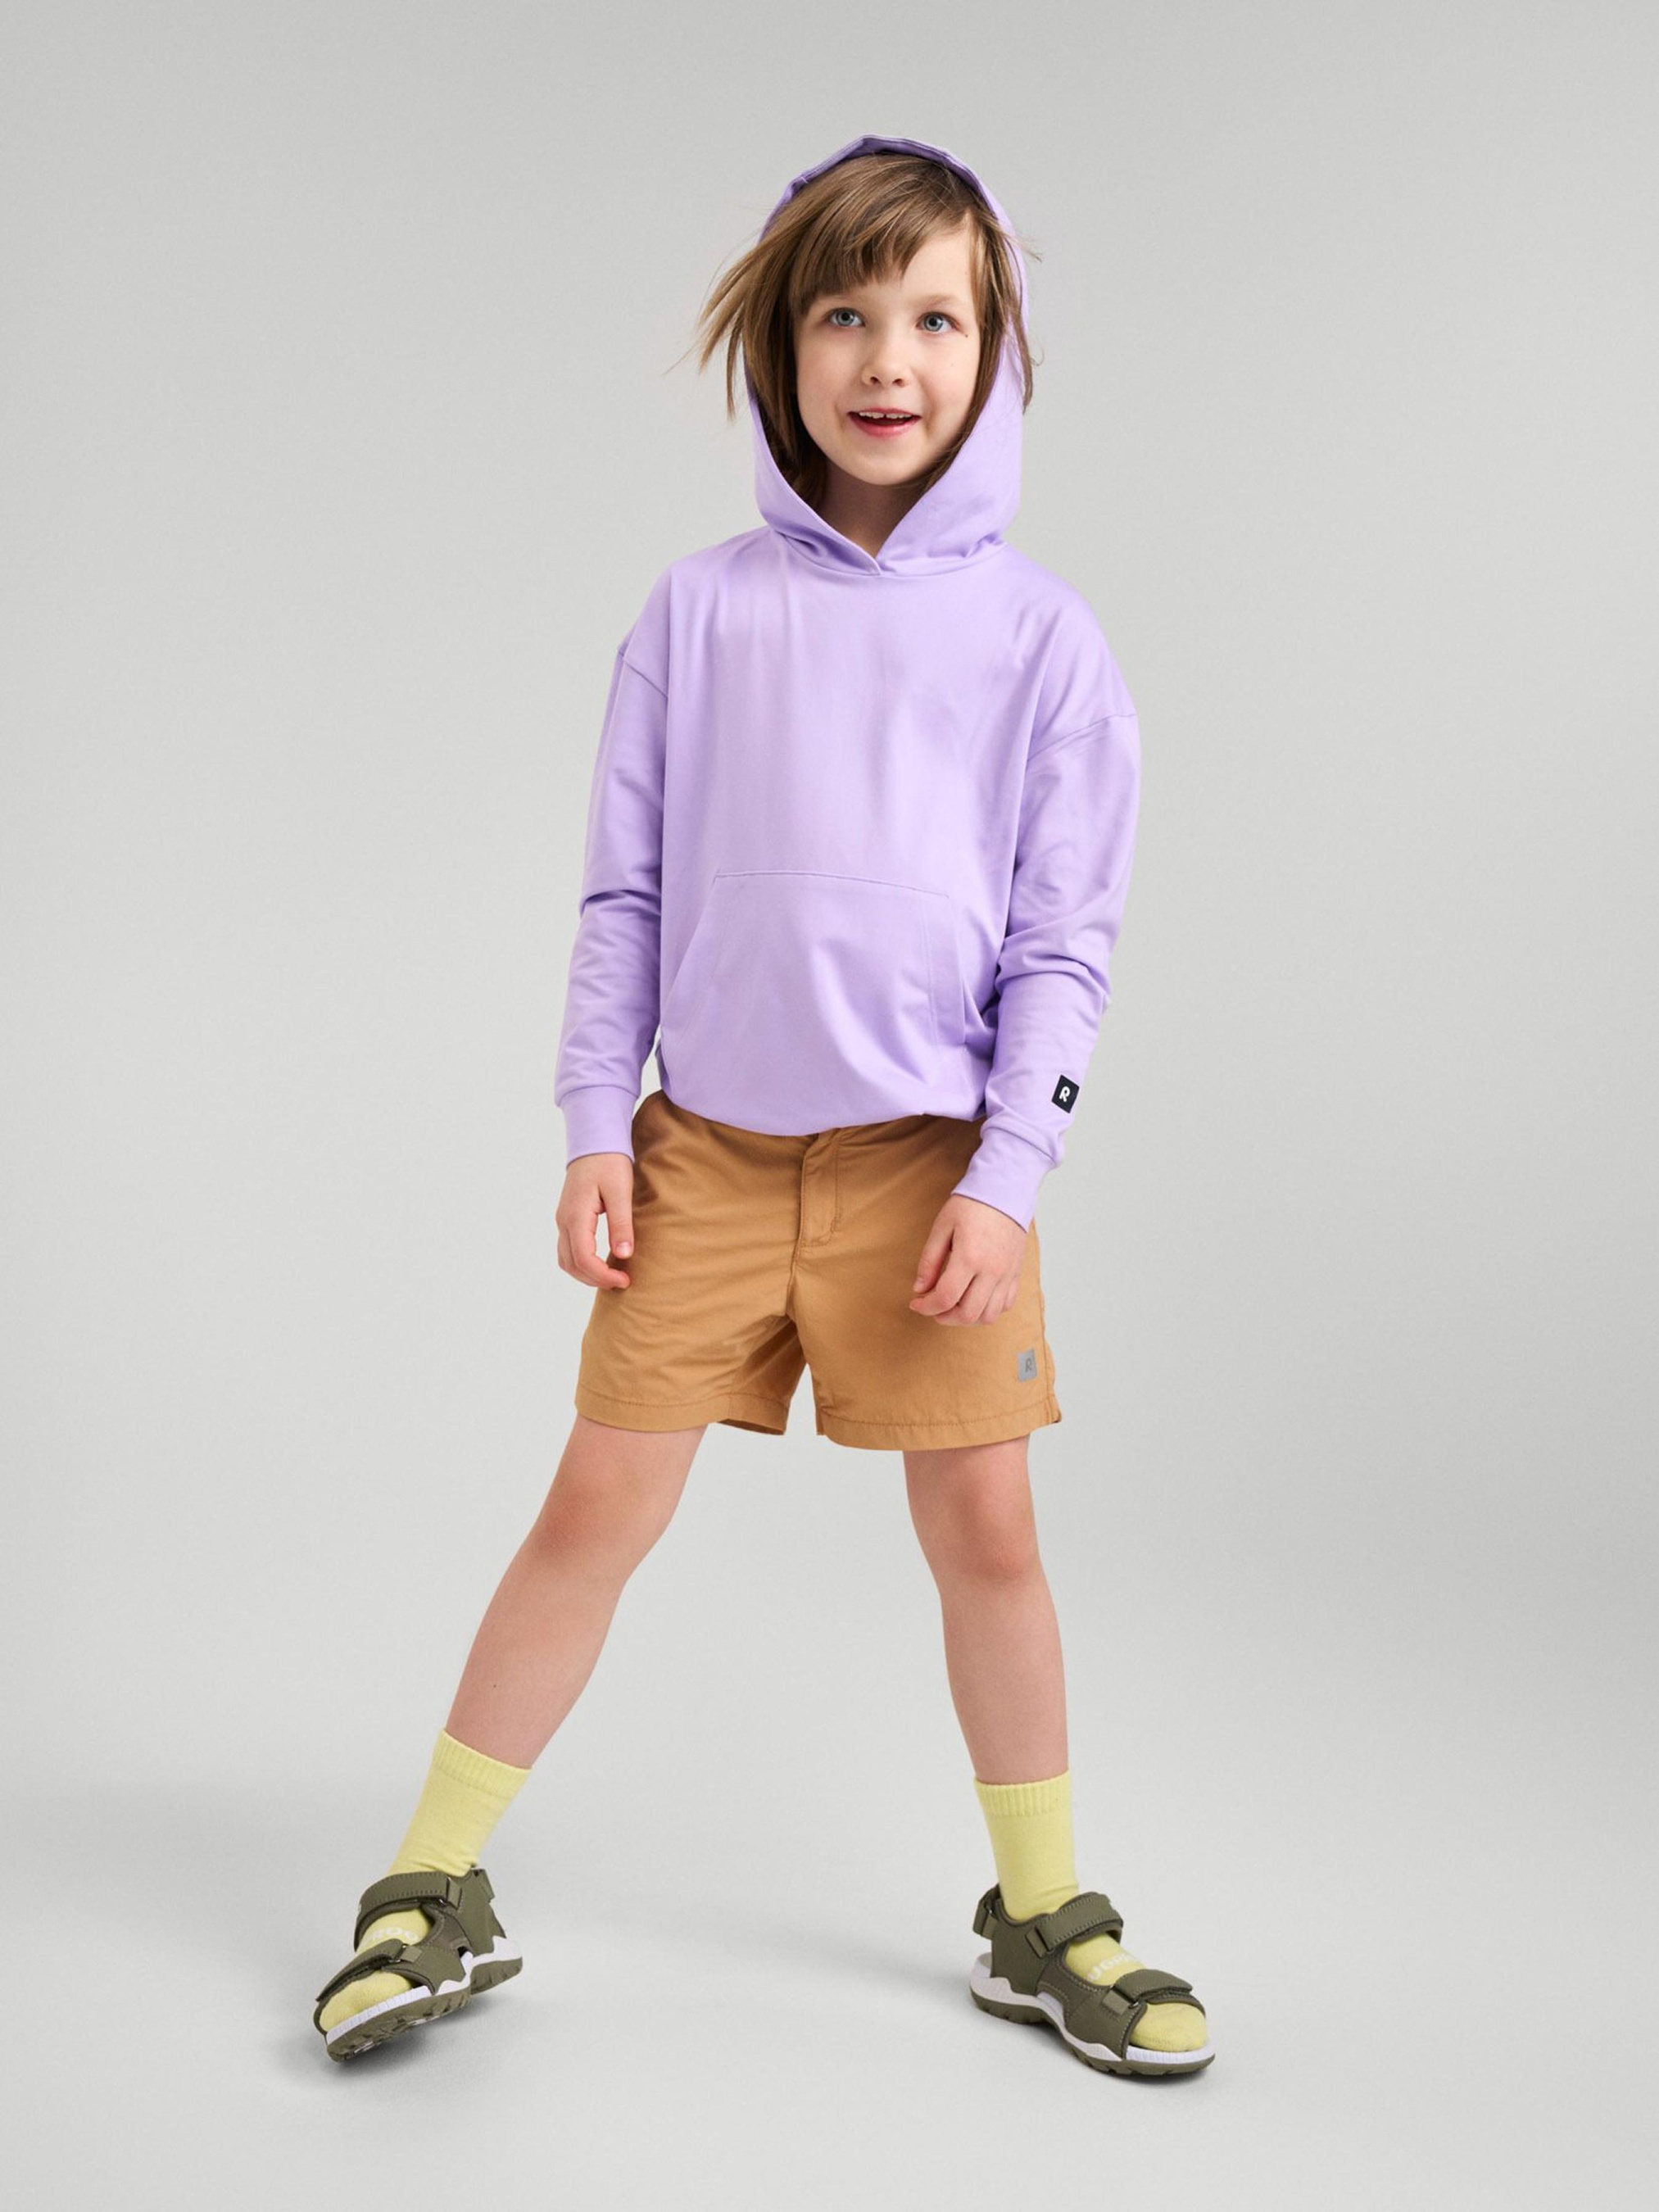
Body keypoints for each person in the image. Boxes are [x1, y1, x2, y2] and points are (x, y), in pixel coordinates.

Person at [310, 131, 1212, 2079]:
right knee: (593, 1506)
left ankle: (1043, 1911)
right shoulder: (695, 614)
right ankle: (427, 1879)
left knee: (986, 1532)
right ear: (779, 347)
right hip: (701, 1161)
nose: (887, 358)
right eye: (843, 314)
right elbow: (622, 897)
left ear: (993, 353)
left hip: (928, 1175)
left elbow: (1064, 943)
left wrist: (1009, 1169)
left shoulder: (1042, 643)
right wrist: (589, 1123)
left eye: (934, 319)